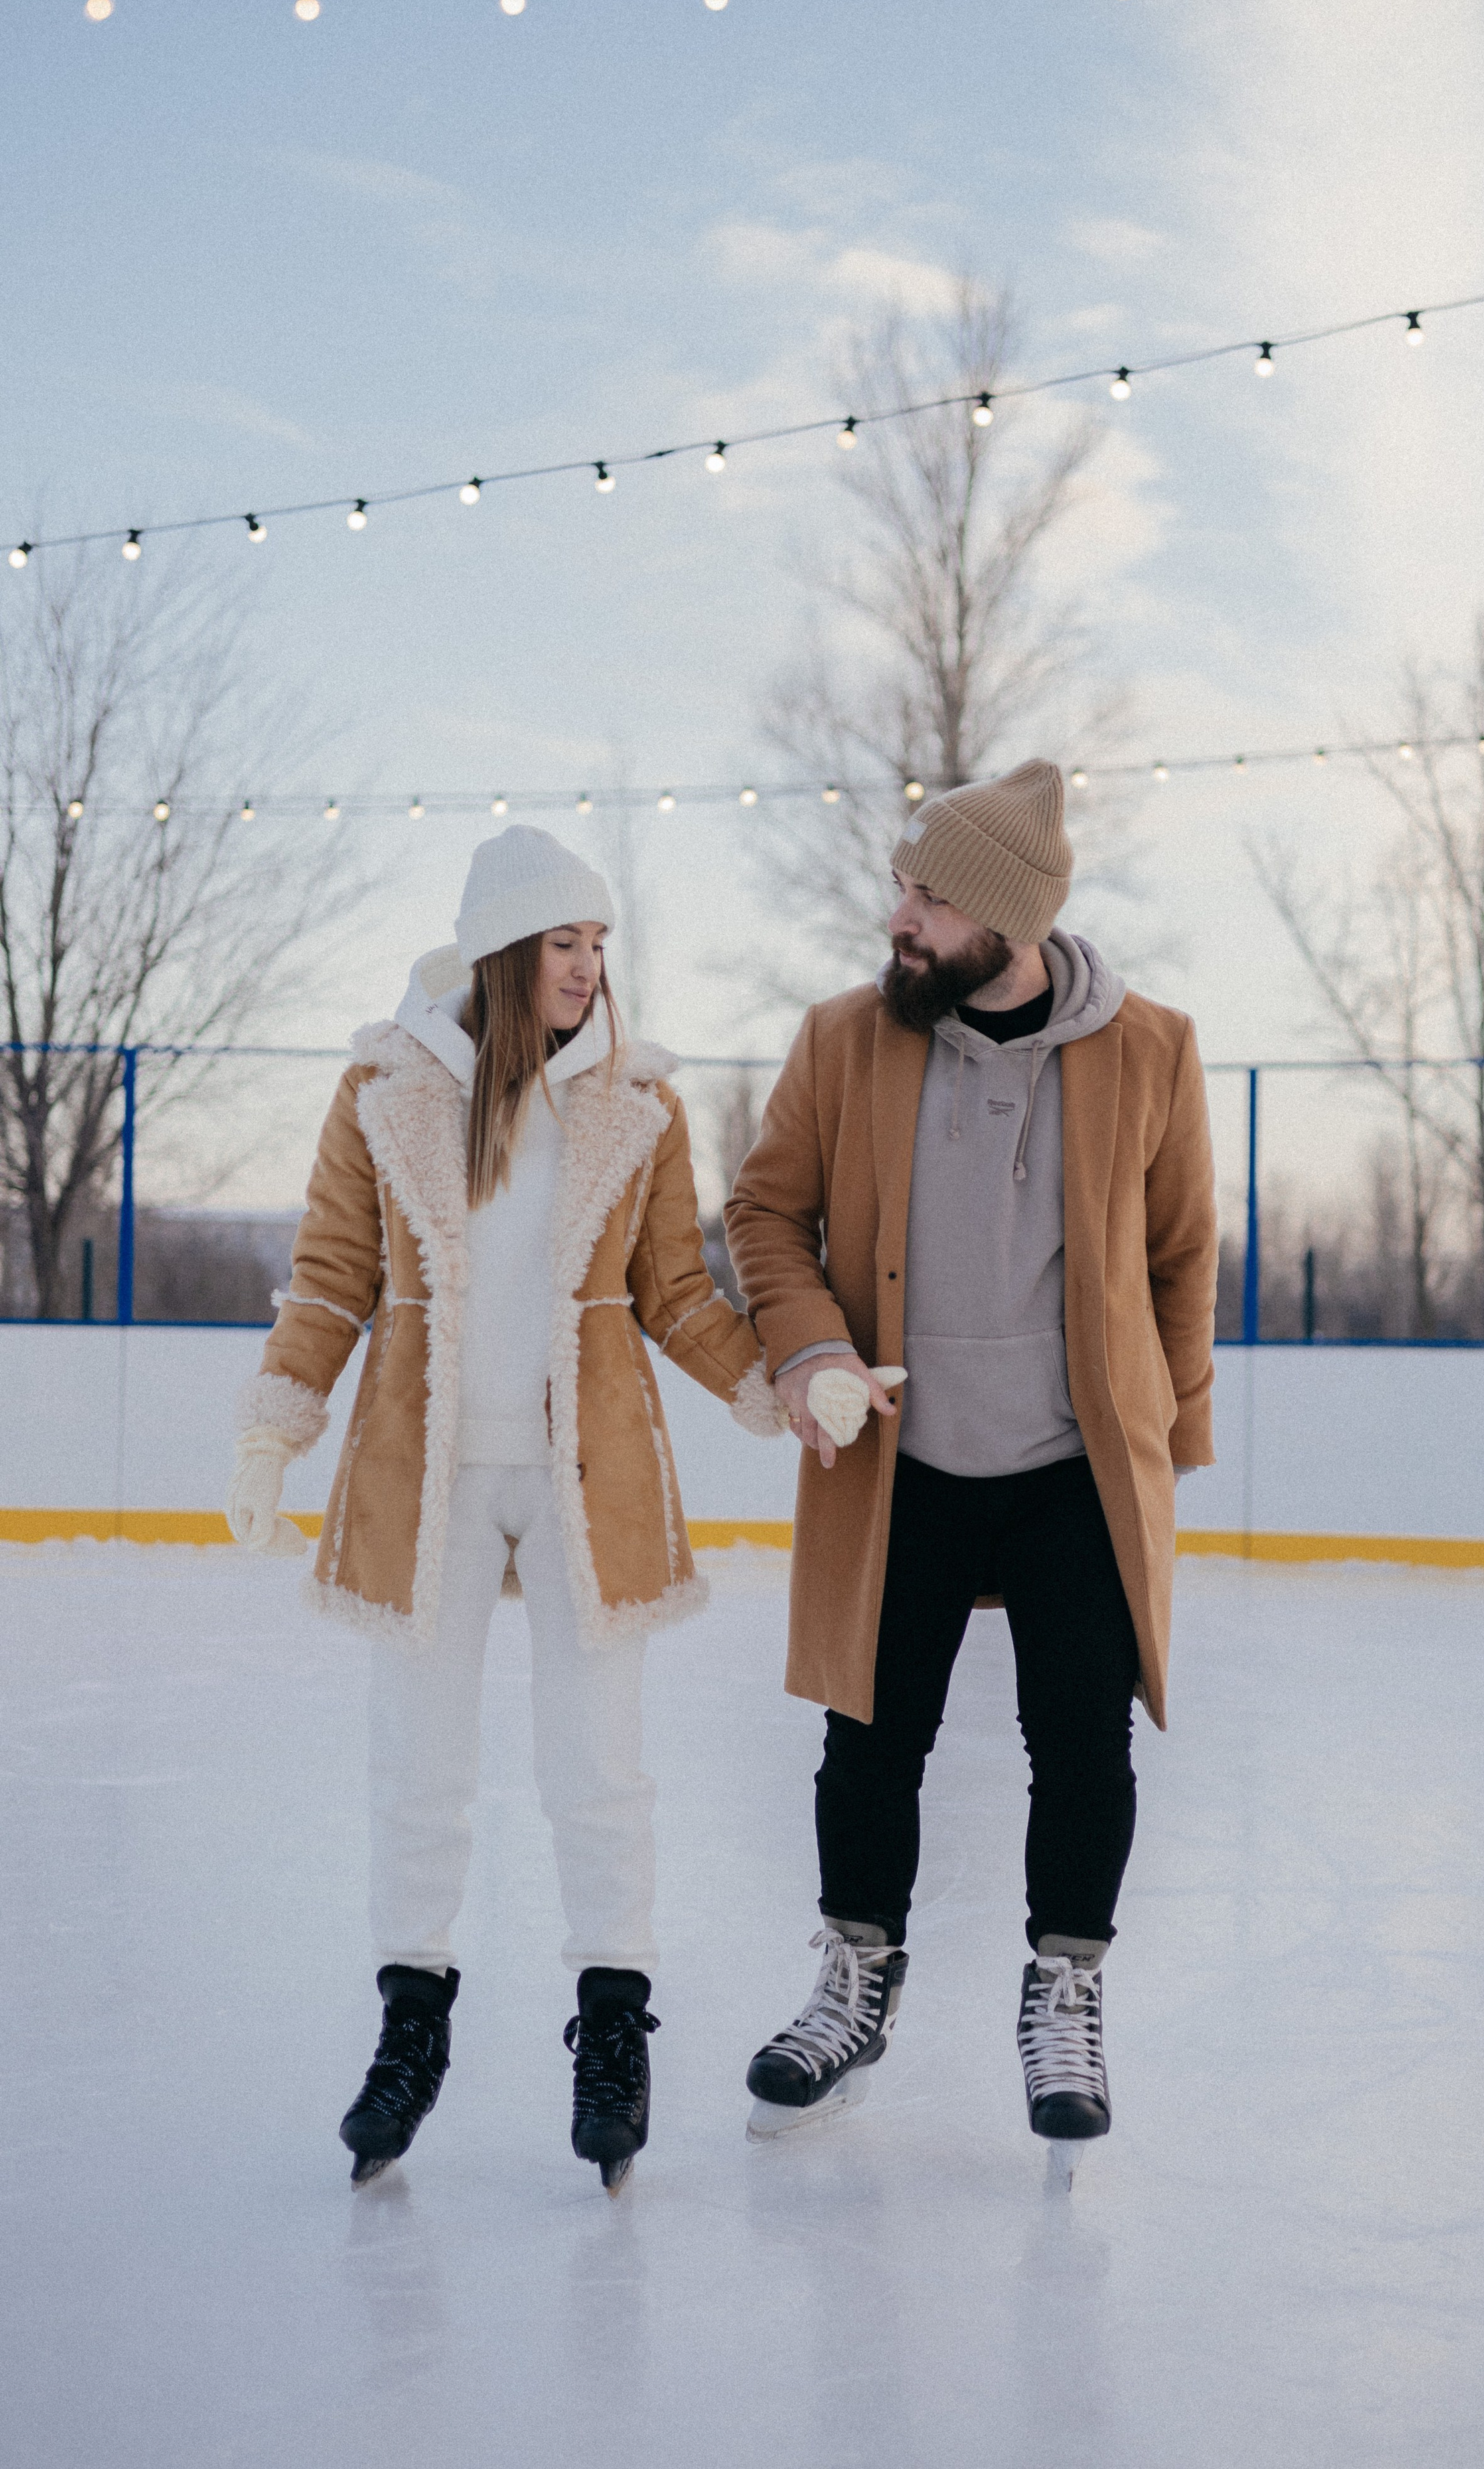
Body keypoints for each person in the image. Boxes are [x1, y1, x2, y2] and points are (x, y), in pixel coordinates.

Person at [225, 825, 782, 2194]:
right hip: (427, 1486)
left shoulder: (637, 1106)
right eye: (564, 944)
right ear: (504, 952)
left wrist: (770, 1389)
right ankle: (411, 2028)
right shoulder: (382, 1090)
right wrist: (274, 1423)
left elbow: (675, 1297)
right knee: (420, 1774)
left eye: (599, 946)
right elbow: (330, 1276)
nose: (589, 969)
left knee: (597, 1773)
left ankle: (611, 2030)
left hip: (585, 1478)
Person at [725, 759, 1217, 2175]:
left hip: (1073, 1466)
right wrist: (812, 1353)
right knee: (868, 1739)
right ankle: (853, 1986)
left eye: (930, 898)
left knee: (1081, 1741)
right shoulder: (843, 1040)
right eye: (902, 888)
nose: (902, 917)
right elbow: (765, 1217)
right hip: (898, 1454)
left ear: (1006, 922)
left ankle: (1063, 1985)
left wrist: (1169, 1439)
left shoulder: (1152, 1051)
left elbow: (1179, 1253)